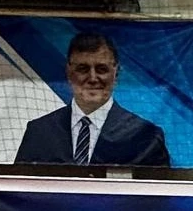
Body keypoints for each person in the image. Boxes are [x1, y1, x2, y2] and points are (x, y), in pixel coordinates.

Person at [14, 32, 170, 167]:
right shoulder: (39, 132)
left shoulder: (146, 137)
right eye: (83, 69)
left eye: (102, 69)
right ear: (69, 73)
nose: (93, 78)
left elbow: (156, 193)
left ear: (116, 74)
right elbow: (19, 189)